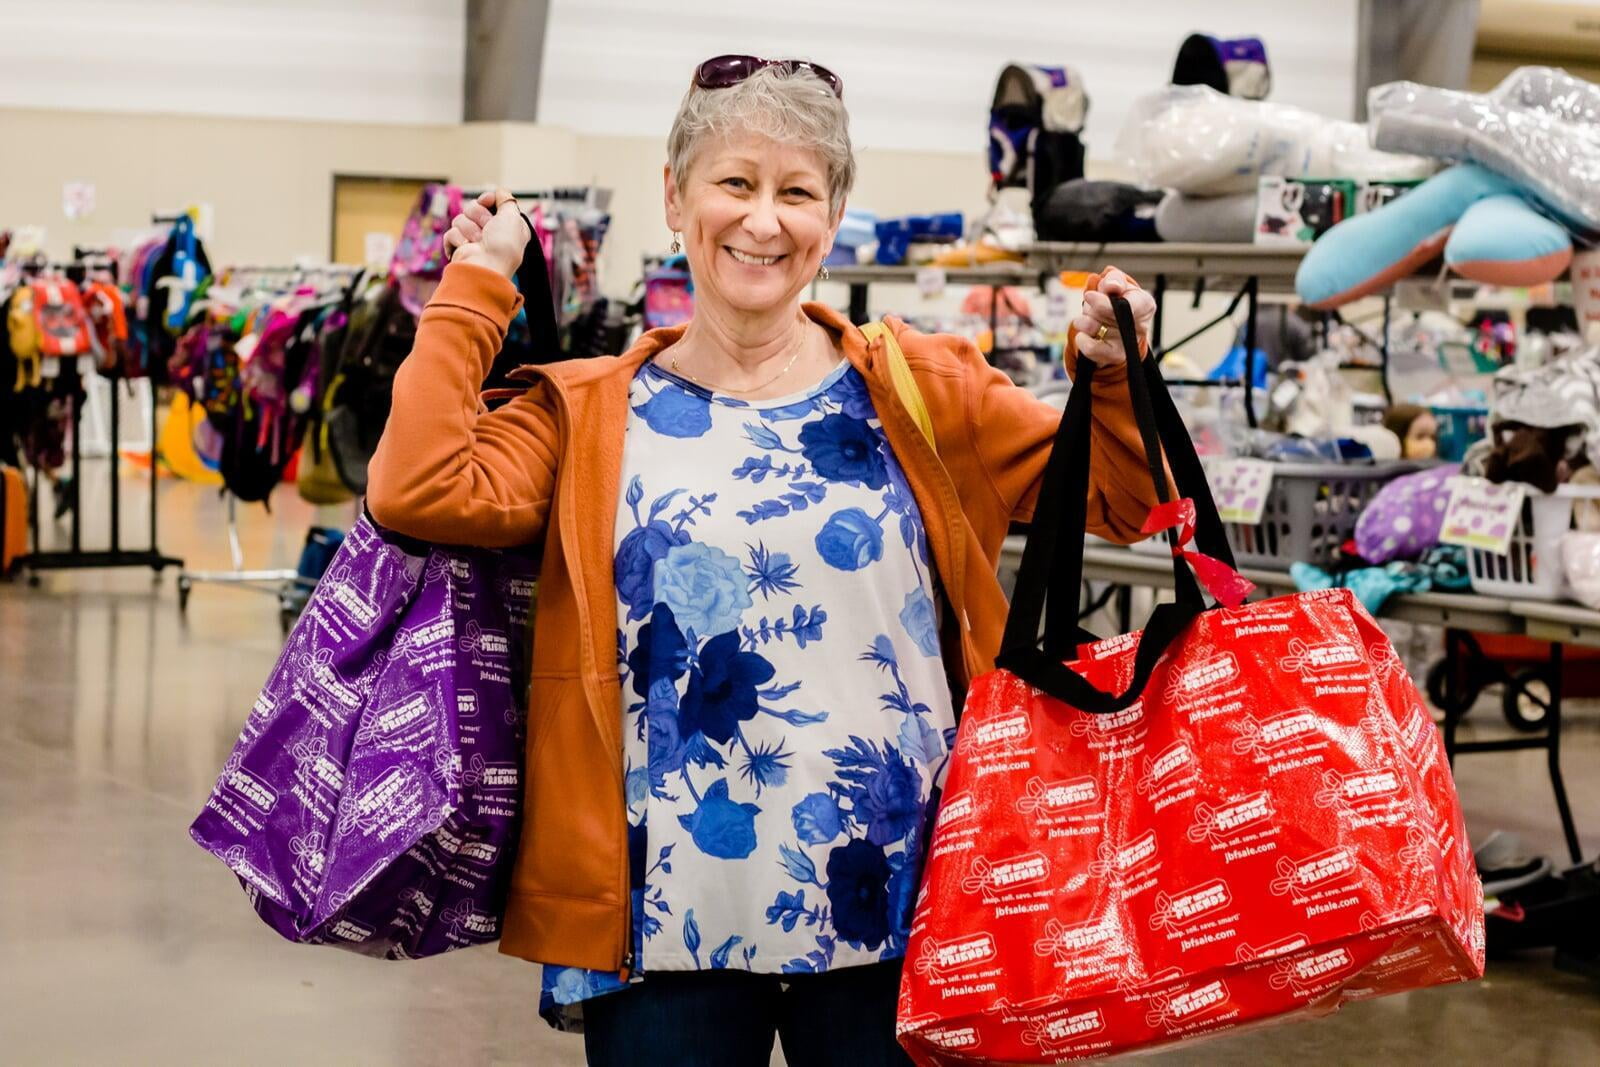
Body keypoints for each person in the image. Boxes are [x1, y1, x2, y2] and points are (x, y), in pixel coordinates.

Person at [368, 54, 1158, 1067]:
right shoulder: (586, 411)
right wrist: (479, 286)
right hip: (660, 921)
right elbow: (417, 485)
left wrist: (1113, 373)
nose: (763, 219)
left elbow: (1120, 498)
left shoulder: (924, 389)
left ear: (832, 215)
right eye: (734, 183)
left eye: (797, 191)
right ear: (674, 195)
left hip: (906, 904)